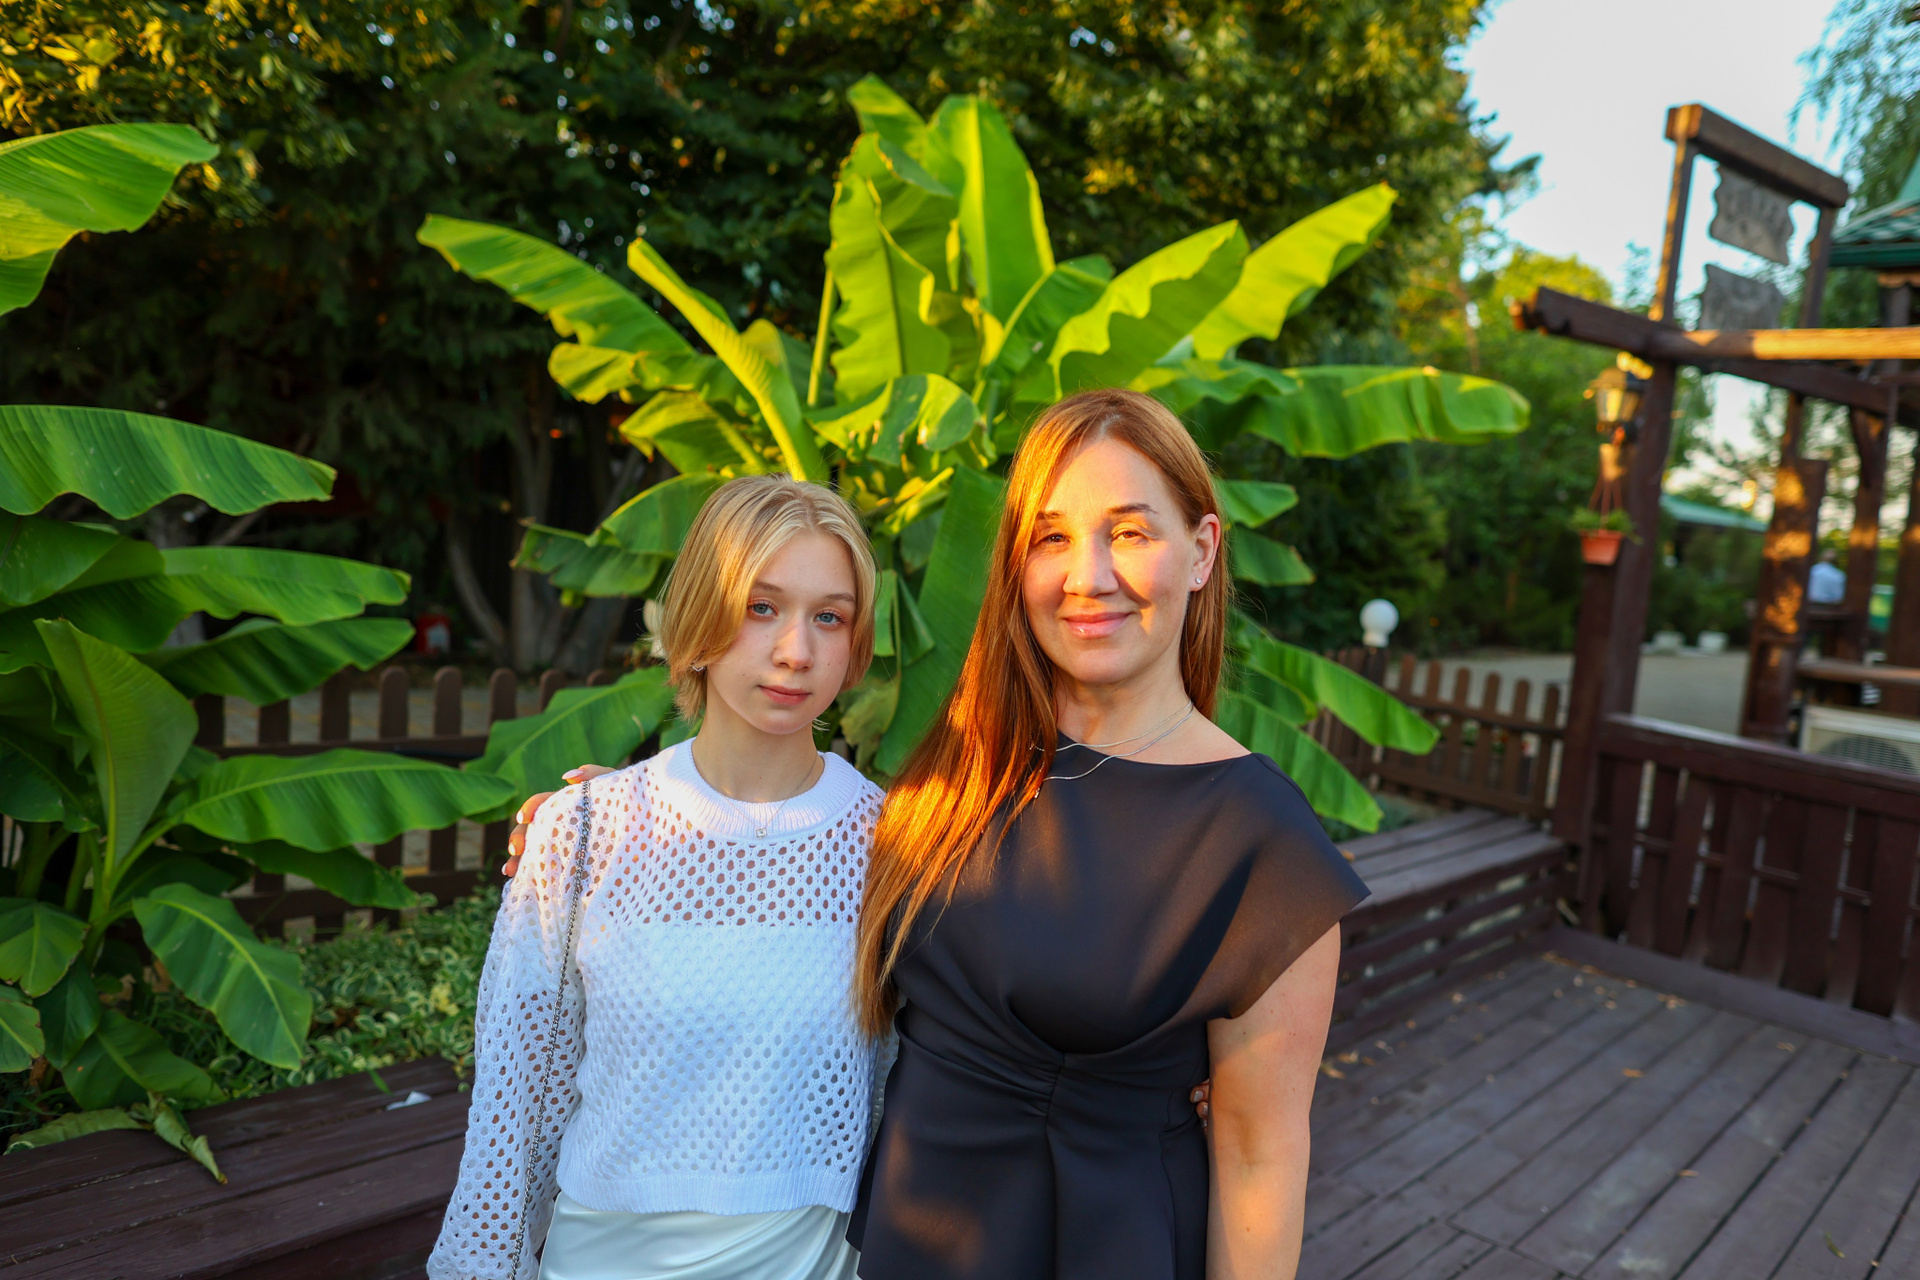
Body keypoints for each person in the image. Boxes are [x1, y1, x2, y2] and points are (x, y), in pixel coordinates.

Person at [847, 388, 1365, 1280]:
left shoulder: (1260, 847)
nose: (1086, 577)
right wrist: (627, 809)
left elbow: (1260, 1161)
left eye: (1128, 532)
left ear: (1201, 552)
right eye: (1051, 537)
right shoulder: (965, 762)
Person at [427, 475, 887, 1280]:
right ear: (702, 616)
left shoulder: (892, 845)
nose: (796, 651)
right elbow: (517, 1102)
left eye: (829, 616)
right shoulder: (585, 833)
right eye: (761, 607)